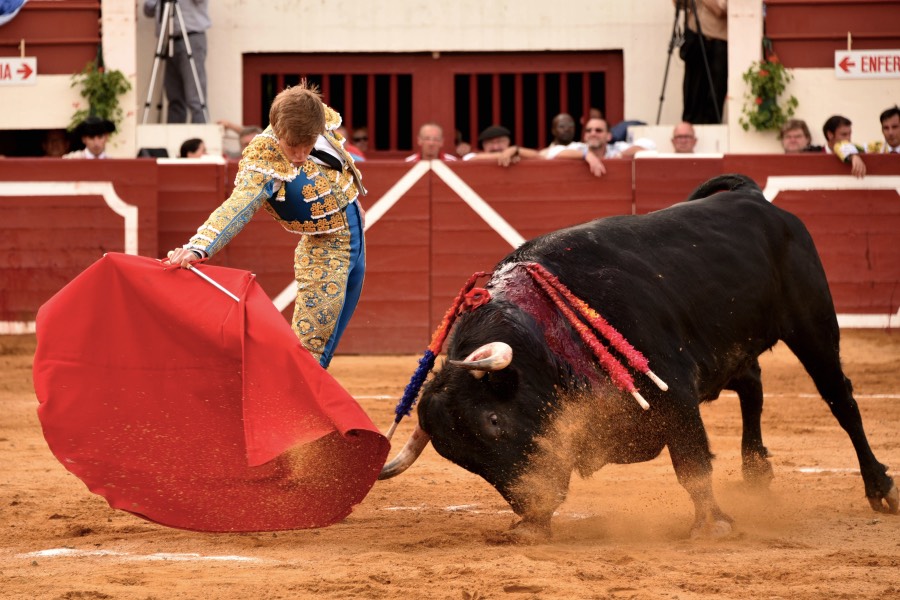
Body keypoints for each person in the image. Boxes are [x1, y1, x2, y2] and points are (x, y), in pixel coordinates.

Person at [164, 81, 366, 368]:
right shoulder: (263, 159)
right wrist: (198, 248)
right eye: (291, 146)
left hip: (355, 236)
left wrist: (355, 201)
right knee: (311, 349)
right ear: (278, 131)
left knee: (329, 340)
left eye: (305, 145)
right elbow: (238, 205)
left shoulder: (316, 119)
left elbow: (338, 166)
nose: (298, 155)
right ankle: (291, 412)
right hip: (326, 247)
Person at [143, 0, 211, 124]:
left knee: (195, 97)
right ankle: (174, 139)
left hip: (191, 37)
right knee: (174, 97)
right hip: (166, 40)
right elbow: (148, 10)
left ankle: (200, 139)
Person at [549, 117, 654, 177]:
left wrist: (621, 155)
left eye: (598, 130)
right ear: (585, 136)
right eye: (589, 130)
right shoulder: (579, 148)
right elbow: (553, 152)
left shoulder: (616, 148)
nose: (593, 133)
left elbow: (649, 145)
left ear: (608, 136)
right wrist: (587, 155)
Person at [677, 0, 728, 124]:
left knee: (714, 89)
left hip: (717, 40)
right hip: (694, 37)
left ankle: (711, 123)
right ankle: (689, 123)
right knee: (692, 87)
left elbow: (720, 11)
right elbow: (681, 5)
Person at [461, 125, 540, 166]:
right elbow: (471, 159)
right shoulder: (472, 155)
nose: (496, 147)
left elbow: (540, 157)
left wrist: (514, 150)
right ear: (483, 145)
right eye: (490, 143)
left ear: (508, 142)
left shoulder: (515, 154)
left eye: (500, 142)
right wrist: (509, 154)